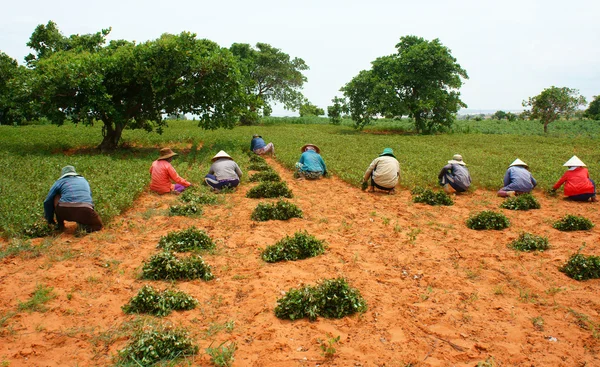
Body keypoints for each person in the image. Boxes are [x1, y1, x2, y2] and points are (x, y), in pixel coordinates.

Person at [43, 166, 103, 232]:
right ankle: (82, 229)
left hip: (64, 211)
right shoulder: (84, 180)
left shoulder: (60, 182)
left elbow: (47, 201)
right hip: (85, 209)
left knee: (56, 195)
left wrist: (50, 221)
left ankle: (60, 226)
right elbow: (89, 199)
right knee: (98, 225)